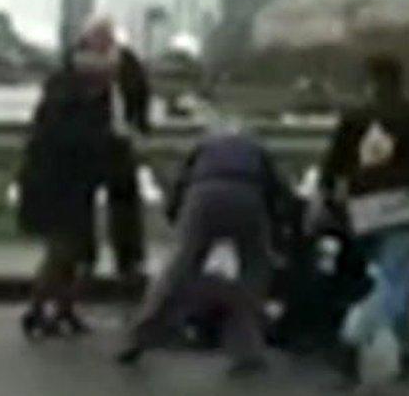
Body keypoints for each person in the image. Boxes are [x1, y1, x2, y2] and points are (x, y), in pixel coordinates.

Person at [116, 118, 293, 376]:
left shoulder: (204, 145)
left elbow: (180, 184)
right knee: (254, 269)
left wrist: (176, 217)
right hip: (248, 197)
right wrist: (279, 229)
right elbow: (278, 190)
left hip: (203, 195)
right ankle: (247, 348)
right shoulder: (257, 148)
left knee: (179, 267)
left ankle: (140, 337)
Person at [319, 55, 409, 387]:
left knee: (393, 280)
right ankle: (351, 340)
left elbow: (332, 166)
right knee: (395, 283)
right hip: (399, 206)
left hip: (362, 208)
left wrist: (331, 198)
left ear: (370, 80)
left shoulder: (356, 116)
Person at [17, 45, 115, 338]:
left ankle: (63, 309)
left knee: (74, 253)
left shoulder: (66, 97)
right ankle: (38, 309)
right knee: (64, 251)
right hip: (59, 184)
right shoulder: (72, 103)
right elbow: (73, 141)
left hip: (67, 184)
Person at [75, 17, 151, 282]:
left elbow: (141, 93)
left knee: (126, 201)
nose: (102, 41)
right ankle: (85, 259)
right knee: (82, 204)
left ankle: (129, 260)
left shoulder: (127, 61)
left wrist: (139, 127)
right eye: (97, 36)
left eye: (106, 36)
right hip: (88, 142)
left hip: (120, 140)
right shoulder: (78, 61)